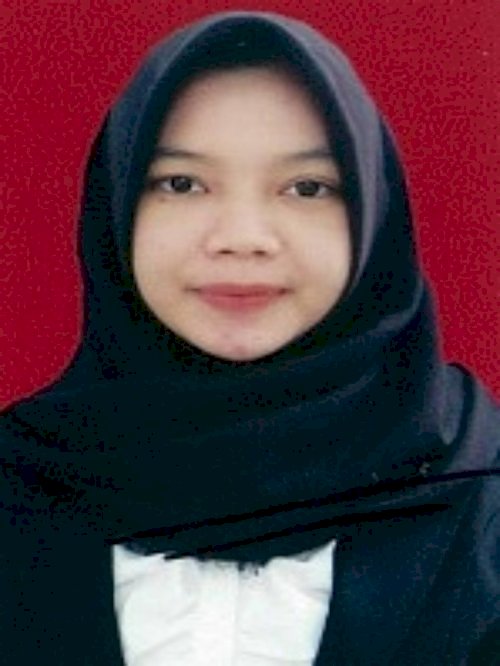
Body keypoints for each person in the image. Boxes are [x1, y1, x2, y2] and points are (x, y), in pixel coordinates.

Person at [0, 10, 498, 665]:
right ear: (116, 206)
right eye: (182, 184)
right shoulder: (22, 484)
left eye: (307, 187)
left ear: (374, 213)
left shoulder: (476, 488)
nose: (241, 237)